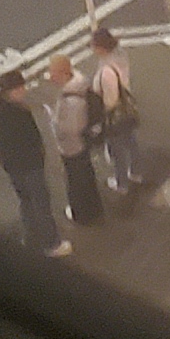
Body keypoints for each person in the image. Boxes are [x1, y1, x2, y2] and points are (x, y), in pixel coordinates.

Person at [0, 69, 64, 257]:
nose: (24, 91)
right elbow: (27, 138)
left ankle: (31, 238)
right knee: (41, 203)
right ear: (10, 91)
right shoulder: (15, 114)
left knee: (26, 201)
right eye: (20, 88)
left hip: (12, 166)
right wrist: (39, 154)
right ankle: (51, 243)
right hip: (29, 165)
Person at [86, 26, 144, 198]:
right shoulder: (120, 56)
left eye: (94, 45)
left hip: (115, 116)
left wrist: (101, 112)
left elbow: (110, 100)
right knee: (131, 141)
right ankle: (136, 172)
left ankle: (122, 183)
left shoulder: (106, 72)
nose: (92, 49)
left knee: (117, 150)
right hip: (126, 108)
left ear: (101, 48)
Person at [45, 52, 103, 227]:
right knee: (86, 175)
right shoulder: (80, 85)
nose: (50, 77)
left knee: (76, 181)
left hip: (72, 146)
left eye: (53, 73)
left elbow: (72, 128)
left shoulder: (71, 100)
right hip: (83, 142)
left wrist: (54, 121)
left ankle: (82, 214)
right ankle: (95, 208)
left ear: (63, 73)